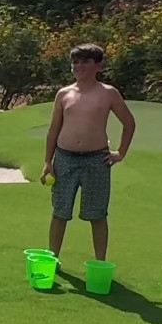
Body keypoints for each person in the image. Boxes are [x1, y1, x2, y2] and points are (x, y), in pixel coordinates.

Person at [40, 44, 136, 263]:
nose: (79, 66)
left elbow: (129, 123)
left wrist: (120, 153)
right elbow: (54, 129)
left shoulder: (109, 93)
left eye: (85, 61)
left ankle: (100, 263)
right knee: (60, 211)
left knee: (97, 214)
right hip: (64, 158)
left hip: (96, 159)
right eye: (76, 62)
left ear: (98, 66)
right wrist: (48, 161)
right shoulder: (64, 94)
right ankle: (52, 259)